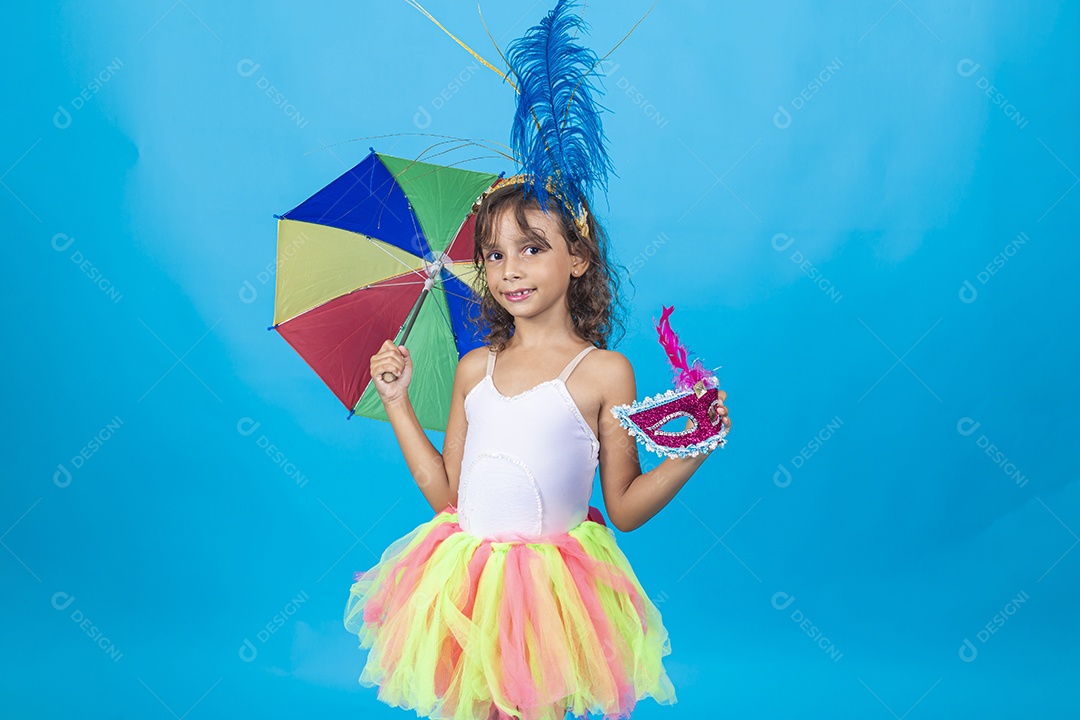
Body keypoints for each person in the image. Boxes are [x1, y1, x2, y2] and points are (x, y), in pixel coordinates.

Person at [344, 179, 732, 720]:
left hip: (550, 592)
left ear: (578, 258)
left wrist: (693, 450)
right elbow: (447, 497)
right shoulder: (474, 368)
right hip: (467, 582)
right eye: (495, 255)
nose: (511, 269)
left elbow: (623, 506)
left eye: (532, 248)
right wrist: (397, 404)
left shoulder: (604, 372)